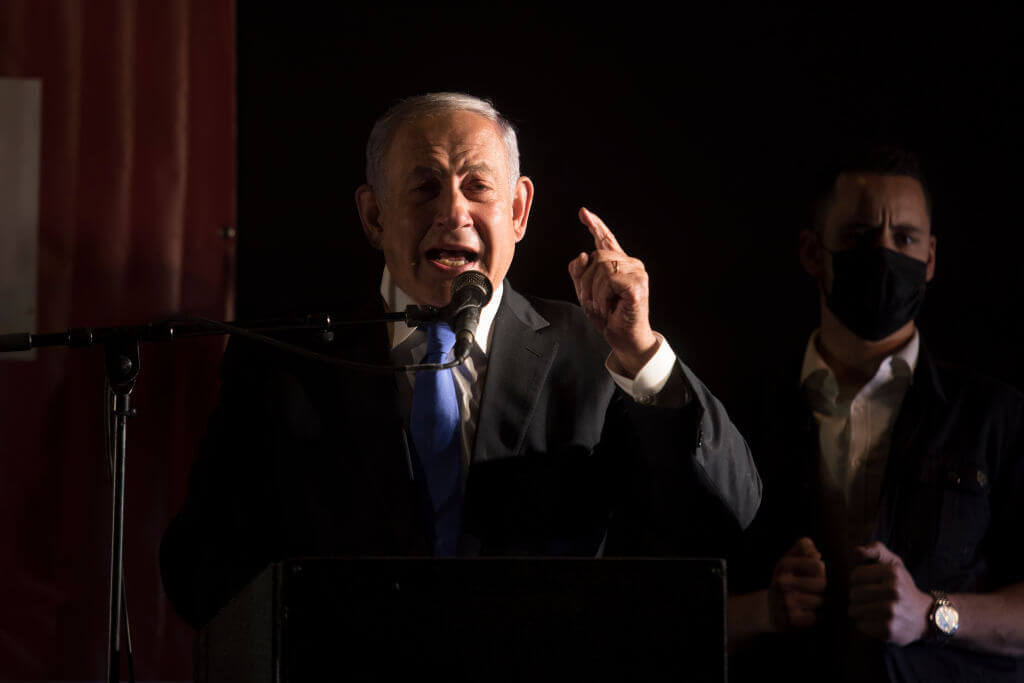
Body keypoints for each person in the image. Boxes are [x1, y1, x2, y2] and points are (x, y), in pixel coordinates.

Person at [160, 92, 761, 629]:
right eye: (424, 188)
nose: (454, 212)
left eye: (478, 186)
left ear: (519, 211)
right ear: (373, 216)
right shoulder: (285, 359)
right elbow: (200, 573)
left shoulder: (596, 350)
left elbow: (728, 513)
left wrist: (641, 351)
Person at [728, 146, 1024, 681]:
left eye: (904, 239)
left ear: (930, 259)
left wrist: (933, 615)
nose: (884, 255)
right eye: (860, 236)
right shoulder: (740, 414)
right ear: (812, 252)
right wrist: (762, 611)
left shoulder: (994, 417)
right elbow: (669, 601)